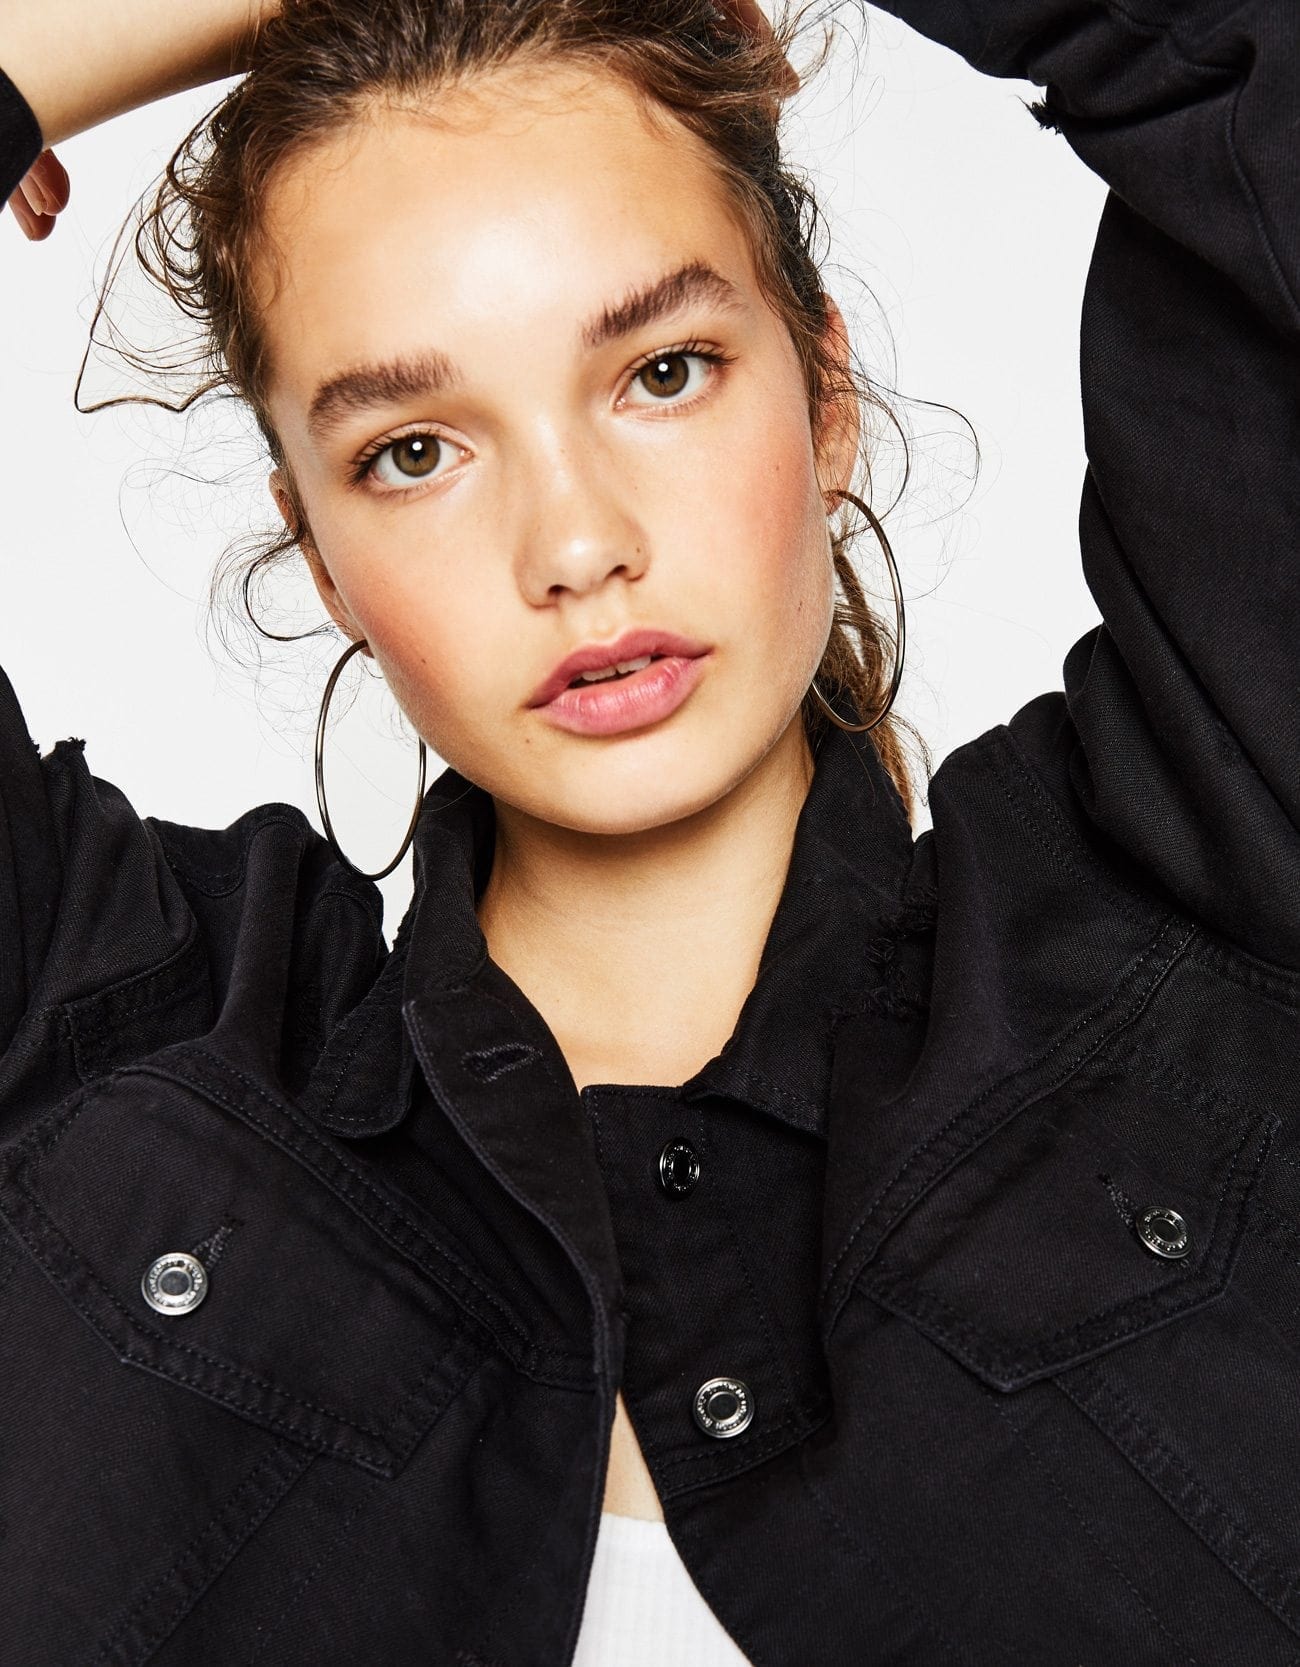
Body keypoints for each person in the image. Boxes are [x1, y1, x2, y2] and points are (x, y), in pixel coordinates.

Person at [2, 0, 1298, 1661]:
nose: (575, 545)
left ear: (824, 391)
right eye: (412, 451)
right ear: (319, 556)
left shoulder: (1200, 905)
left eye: (662, 372)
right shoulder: (110, 1049)